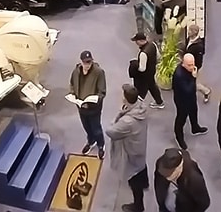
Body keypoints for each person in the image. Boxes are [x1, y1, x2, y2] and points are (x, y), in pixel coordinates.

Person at [105, 84, 149, 212]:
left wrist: (119, 114)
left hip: (132, 153)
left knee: (134, 181)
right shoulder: (141, 106)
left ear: (125, 99)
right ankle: (144, 183)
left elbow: (111, 131)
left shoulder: (128, 121)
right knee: (141, 167)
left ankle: (138, 206)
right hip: (140, 147)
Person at [69, 50, 107, 159]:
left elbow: (102, 91)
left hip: (94, 108)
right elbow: (72, 84)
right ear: (81, 62)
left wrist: (96, 99)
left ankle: (101, 145)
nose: (87, 65)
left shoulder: (99, 72)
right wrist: (72, 94)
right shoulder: (76, 72)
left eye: (89, 62)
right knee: (86, 127)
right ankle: (91, 141)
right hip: (81, 107)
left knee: (96, 128)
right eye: (85, 63)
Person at [154, 147, 210, 212]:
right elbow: (158, 184)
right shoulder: (161, 164)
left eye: (169, 174)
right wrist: (161, 205)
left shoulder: (194, 180)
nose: (166, 177)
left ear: (178, 168)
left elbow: (204, 203)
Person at [172, 54, 208, 150]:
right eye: (189, 65)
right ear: (183, 64)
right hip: (182, 100)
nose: (192, 67)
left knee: (194, 111)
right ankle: (179, 137)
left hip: (191, 97)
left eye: (193, 64)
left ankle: (195, 128)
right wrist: (194, 77)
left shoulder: (189, 71)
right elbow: (188, 89)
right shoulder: (179, 75)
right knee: (181, 119)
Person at [129, 32, 164, 109]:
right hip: (152, 71)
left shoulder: (143, 53)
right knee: (152, 86)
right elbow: (158, 57)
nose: (135, 43)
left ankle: (137, 108)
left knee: (140, 92)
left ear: (140, 41)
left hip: (144, 76)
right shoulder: (153, 45)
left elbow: (142, 69)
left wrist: (135, 65)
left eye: (136, 41)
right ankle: (159, 102)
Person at [184, 24, 211, 103]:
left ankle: (206, 91)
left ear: (194, 32)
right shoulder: (189, 38)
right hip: (187, 64)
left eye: (189, 31)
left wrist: (194, 68)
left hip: (193, 67)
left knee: (194, 84)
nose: (188, 32)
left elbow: (199, 60)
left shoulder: (199, 46)